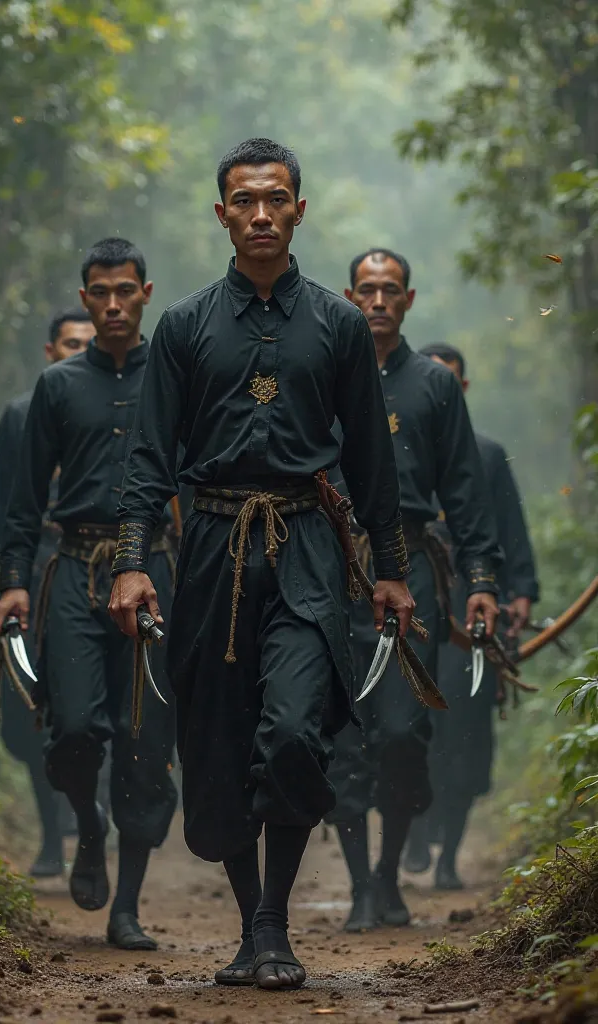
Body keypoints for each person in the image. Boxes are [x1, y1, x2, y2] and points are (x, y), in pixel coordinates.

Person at [108, 138, 413, 992]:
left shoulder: (341, 323)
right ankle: (254, 929)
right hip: (209, 547)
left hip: (312, 545)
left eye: (276, 199)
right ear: (222, 215)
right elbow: (148, 460)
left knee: (288, 731)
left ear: (300, 210)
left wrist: (390, 570)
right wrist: (133, 563)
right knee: (219, 740)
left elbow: (372, 466)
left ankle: (275, 920)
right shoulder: (184, 326)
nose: (262, 215)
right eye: (244, 201)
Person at [0, 238, 178, 951]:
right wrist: (13, 581)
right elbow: (25, 496)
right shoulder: (60, 385)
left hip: (155, 573)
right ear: (84, 298)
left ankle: (127, 906)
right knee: (71, 728)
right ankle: (88, 825)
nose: (112, 306)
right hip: (72, 568)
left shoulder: (176, 374)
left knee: (142, 741)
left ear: (146, 291)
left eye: (125, 291)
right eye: (98, 293)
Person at [324, 248, 501, 931]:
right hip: (339, 570)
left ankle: (389, 870)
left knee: (401, 732)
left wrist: (481, 579)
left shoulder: (435, 384)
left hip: (417, 573)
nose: (376, 301)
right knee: (343, 735)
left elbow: (466, 491)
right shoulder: (328, 374)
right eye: (365, 289)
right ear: (348, 296)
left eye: (389, 289)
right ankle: (359, 886)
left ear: (408, 299)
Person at [0, 308, 95, 878]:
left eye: (86, 344)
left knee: (90, 703)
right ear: (49, 351)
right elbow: (2, 494)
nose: (78, 352)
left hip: (96, 569)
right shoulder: (22, 413)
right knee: (28, 710)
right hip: (31, 568)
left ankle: (89, 818)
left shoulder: (121, 408)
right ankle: (50, 829)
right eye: (69, 343)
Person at [403, 342, 539, 889]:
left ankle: (447, 856)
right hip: (413, 603)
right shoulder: (397, 449)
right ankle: (410, 830)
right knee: (409, 722)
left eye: (449, 382)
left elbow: (508, 534)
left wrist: (520, 590)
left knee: (463, 733)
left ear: (462, 390)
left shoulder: (485, 454)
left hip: (471, 607)